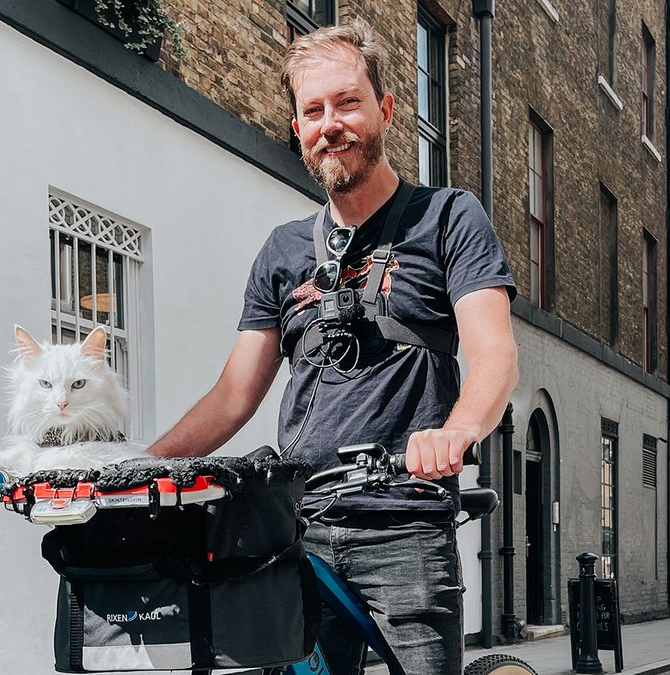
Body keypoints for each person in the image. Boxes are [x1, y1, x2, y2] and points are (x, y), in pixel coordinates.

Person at [146, 18, 518, 673]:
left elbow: (494, 353)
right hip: (301, 528)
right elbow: (234, 394)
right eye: (313, 110)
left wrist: (456, 432)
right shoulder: (284, 251)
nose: (331, 122)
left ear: (386, 110)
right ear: (298, 128)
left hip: (405, 523)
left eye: (348, 101)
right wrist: (140, 469)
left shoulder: (448, 218)